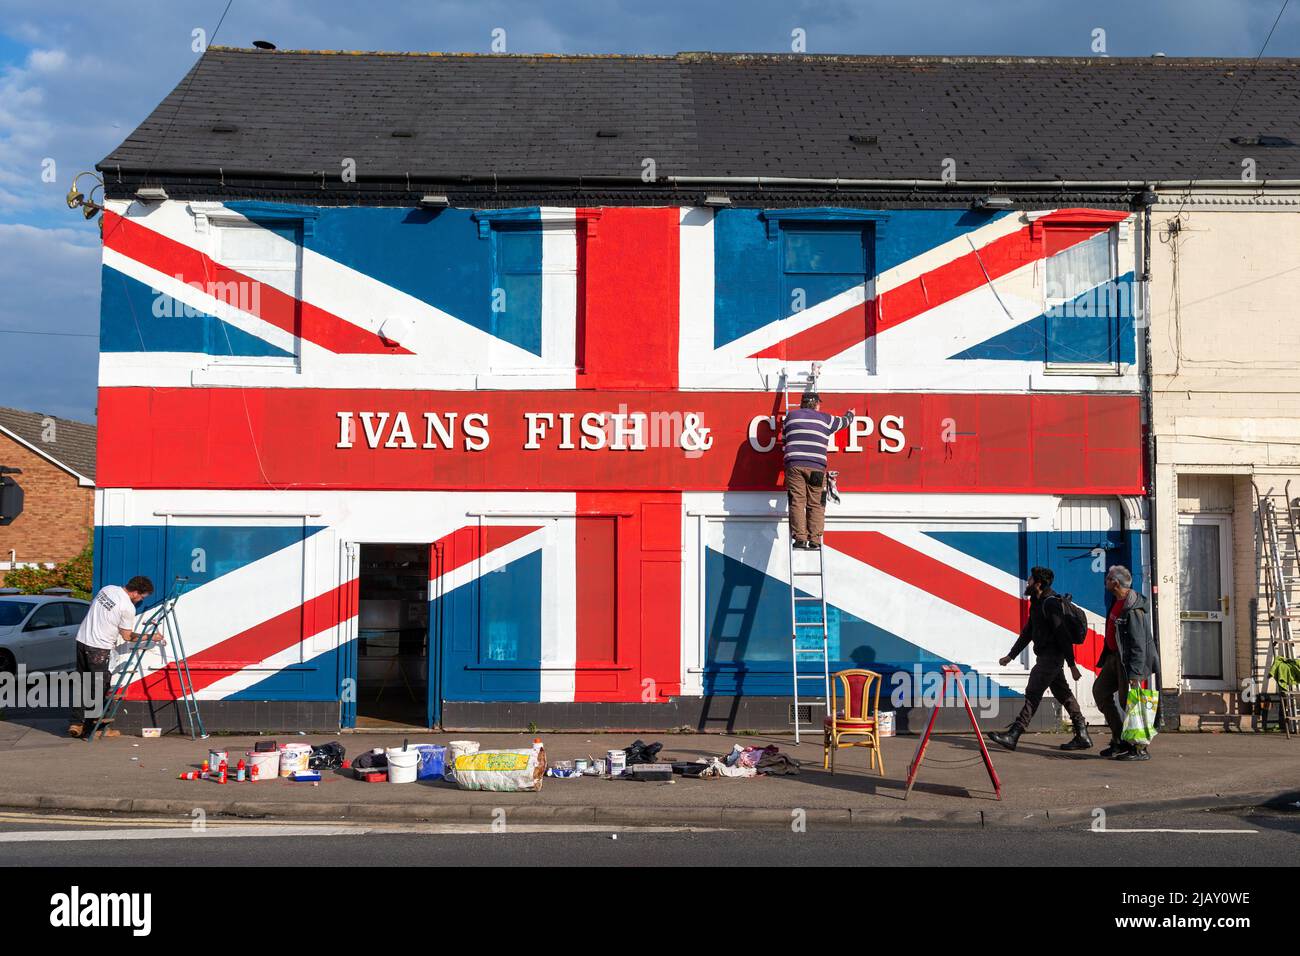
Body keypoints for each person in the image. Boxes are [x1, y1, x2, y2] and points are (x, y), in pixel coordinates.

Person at [987, 566, 1092, 752]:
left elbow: (1062, 635)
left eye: (1030, 579)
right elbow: (1028, 632)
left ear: (1039, 583)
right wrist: (1011, 656)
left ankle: (1013, 734)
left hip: (1051, 657)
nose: (1027, 582)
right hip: (1047, 657)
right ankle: (1082, 734)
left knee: (1033, 693)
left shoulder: (1050, 604)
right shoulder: (1037, 602)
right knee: (1063, 694)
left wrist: (1072, 665)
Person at [68, 576, 162, 739]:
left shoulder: (107, 589)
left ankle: (76, 723)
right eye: (141, 597)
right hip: (99, 648)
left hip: (82, 641)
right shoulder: (127, 607)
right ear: (135, 593)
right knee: (98, 689)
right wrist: (151, 637)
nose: (140, 600)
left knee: (82, 682)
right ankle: (92, 730)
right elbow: (127, 636)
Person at [1094, 564, 1158, 761]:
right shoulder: (1117, 601)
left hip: (1128, 663)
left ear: (1115, 582)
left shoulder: (1132, 609)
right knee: (1101, 691)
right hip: (1114, 658)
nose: (1105, 581)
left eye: (1108, 579)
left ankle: (1139, 748)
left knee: (1129, 702)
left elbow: (1139, 643)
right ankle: (1120, 738)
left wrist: (1135, 674)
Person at [781, 391, 854, 550]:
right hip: (816, 466)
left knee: (797, 501)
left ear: (802, 403)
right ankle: (815, 540)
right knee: (816, 503)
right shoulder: (826, 419)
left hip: (794, 465)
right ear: (816, 404)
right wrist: (850, 414)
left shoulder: (790, 417)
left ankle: (800, 539)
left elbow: (784, 441)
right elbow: (844, 422)